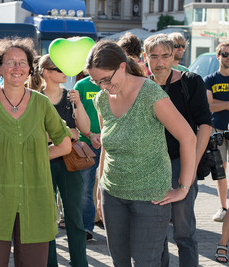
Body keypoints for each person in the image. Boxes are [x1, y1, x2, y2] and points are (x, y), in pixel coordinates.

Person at [88, 40, 196, 266]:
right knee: (120, 262)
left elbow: (188, 137)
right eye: (96, 81)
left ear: (121, 66)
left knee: (146, 262)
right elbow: (106, 148)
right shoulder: (101, 100)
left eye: (106, 79)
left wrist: (183, 188)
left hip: (150, 199)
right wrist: (99, 191)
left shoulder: (149, 93)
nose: (102, 86)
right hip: (112, 195)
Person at [0, 37, 72, 267]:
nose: (17, 68)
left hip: (35, 199)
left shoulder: (41, 103)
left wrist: (29, 157)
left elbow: (64, 144)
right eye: (10, 62)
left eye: (23, 62)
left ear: (30, 69)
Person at [144, 33, 212, 267]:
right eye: (154, 57)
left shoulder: (190, 81)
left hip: (180, 162)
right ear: (146, 58)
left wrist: (192, 164)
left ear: (174, 55)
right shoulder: (142, 85)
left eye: (165, 55)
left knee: (184, 232)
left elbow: (205, 124)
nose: (159, 62)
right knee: (157, 234)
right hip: (150, 165)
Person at [29, 54, 90, 267]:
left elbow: (84, 130)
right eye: (58, 68)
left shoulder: (70, 96)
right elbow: (33, 134)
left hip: (69, 162)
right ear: (46, 72)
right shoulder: (34, 97)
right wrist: (65, 133)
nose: (65, 71)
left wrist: (79, 104)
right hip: (43, 160)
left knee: (74, 216)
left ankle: (80, 263)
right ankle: (50, 263)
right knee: (47, 218)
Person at [73, 72, 102, 240]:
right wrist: (91, 134)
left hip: (109, 141)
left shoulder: (114, 82)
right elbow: (76, 115)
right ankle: (86, 227)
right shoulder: (81, 86)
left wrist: (104, 136)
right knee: (84, 188)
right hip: (86, 143)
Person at [205, 41, 229, 224]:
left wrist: (221, 105)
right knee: (220, 172)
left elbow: (215, 104)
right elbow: (210, 105)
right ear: (218, 56)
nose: (228, 58)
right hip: (218, 130)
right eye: (225, 54)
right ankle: (223, 208)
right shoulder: (210, 80)